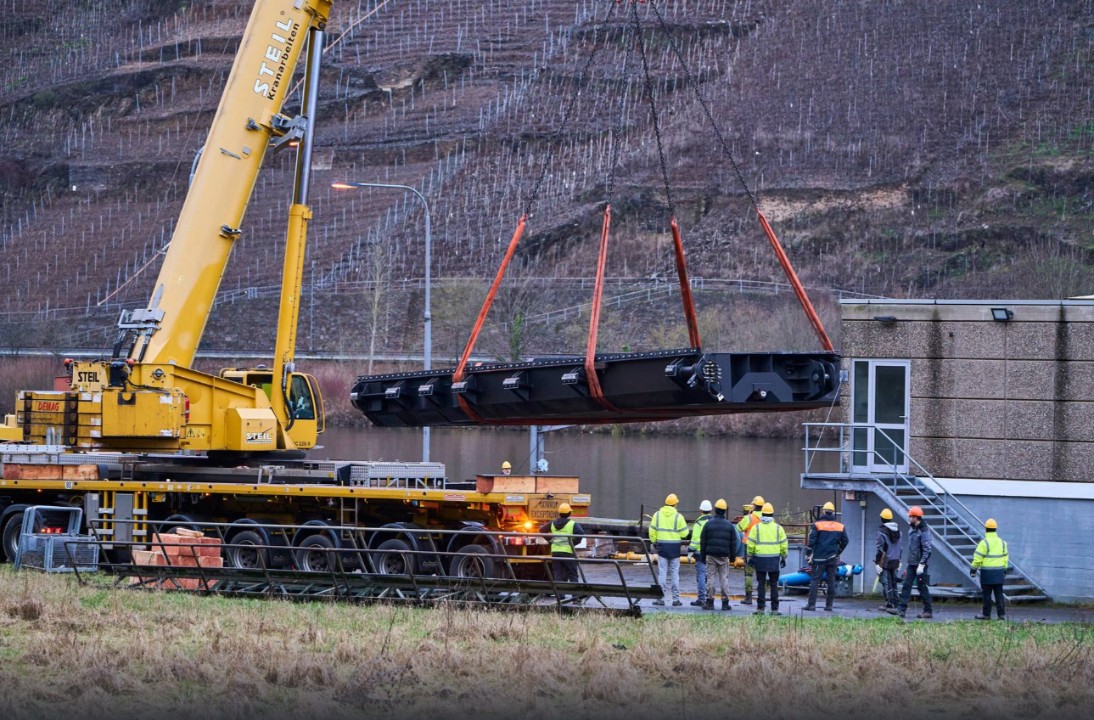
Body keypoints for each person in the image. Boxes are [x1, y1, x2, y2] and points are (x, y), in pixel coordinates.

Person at [887, 505, 934, 619]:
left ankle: (928, 611)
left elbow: (927, 549)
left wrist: (922, 564)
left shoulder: (924, 531)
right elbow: (912, 547)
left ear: (915, 517)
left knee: (922, 587)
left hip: (920, 565)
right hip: (912, 563)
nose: (909, 519)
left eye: (910, 517)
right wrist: (908, 562)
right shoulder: (913, 529)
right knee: (906, 585)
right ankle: (901, 610)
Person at [803, 501, 849, 612]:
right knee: (831, 581)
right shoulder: (840, 526)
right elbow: (845, 541)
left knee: (815, 580)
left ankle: (811, 605)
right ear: (833, 513)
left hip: (819, 558)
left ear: (824, 511)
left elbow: (812, 541)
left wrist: (808, 554)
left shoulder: (817, 525)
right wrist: (838, 552)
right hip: (832, 558)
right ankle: (829, 606)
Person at [746, 502, 787, 615]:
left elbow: (750, 544)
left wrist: (750, 556)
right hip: (774, 560)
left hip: (760, 559)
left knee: (761, 584)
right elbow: (783, 544)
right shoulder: (779, 528)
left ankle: (760, 608)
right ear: (772, 514)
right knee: (774, 584)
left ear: (762, 514)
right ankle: (774, 609)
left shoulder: (756, 528)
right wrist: (784, 556)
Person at [648, 493, 688, 607]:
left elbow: (652, 531)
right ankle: (675, 599)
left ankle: (660, 598)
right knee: (675, 574)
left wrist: (654, 541)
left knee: (662, 573)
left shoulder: (657, 515)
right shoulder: (678, 517)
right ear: (675, 504)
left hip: (662, 547)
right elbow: (685, 533)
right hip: (675, 548)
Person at [699, 499, 739, 610]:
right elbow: (733, 543)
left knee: (710, 578)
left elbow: (703, 542)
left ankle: (710, 602)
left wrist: (703, 556)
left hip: (711, 555)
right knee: (724, 579)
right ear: (725, 511)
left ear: (715, 510)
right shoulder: (730, 526)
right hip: (724, 556)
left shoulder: (708, 524)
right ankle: (725, 603)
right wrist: (732, 557)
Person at [971, 518, 1009, 620]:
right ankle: (1001, 615)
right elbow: (1005, 557)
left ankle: (986, 614)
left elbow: (977, 558)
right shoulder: (1002, 543)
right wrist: (1005, 569)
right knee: (999, 594)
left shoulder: (984, 543)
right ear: (995, 529)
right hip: (999, 572)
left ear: (986, 529)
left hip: (987, 573)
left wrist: (973, 569)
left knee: (986, 594)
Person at [539, 502, 584, 584]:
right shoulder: (572, 524)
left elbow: (542, 530)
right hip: (568, 551)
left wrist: (550, 540)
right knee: (572, 573)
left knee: (558, 574)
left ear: (559, 513)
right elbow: (581, 533)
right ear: (569, 513)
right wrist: (573, 543)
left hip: (555, 551)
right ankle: (575, 593)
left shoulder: (552, 523)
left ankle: (560, 595)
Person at [736, 495, 764, 605]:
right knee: (762, 573)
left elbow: (738, 528)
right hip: (763, 549)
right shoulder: (767, 518)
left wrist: (746, 518)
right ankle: (762, 597)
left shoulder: (749, 518)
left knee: (748, 574)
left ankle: (748, 597)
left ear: (753, 506)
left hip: (749, 548)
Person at [875, 508, 902, 611]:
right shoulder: (899, 532)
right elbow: (900, 547)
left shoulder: (881, 533)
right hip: (895, 560)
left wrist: (878, 563)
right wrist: (900, 560)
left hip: (885, 561)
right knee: (894, 582)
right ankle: (897, 603)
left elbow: (880, 549)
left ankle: (889, 604)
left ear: (882, 518)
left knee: (886, 582)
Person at [688, 500, 714, 607]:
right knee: (710, 576)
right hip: (712, 552)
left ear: (700, 510)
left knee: (701, 576)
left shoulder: (699, 523)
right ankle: (709, 597)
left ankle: (701, 598)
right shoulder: (713, 521)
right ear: (711, 510)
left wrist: (690, 551)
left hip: (700, 553)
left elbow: (695, 540)